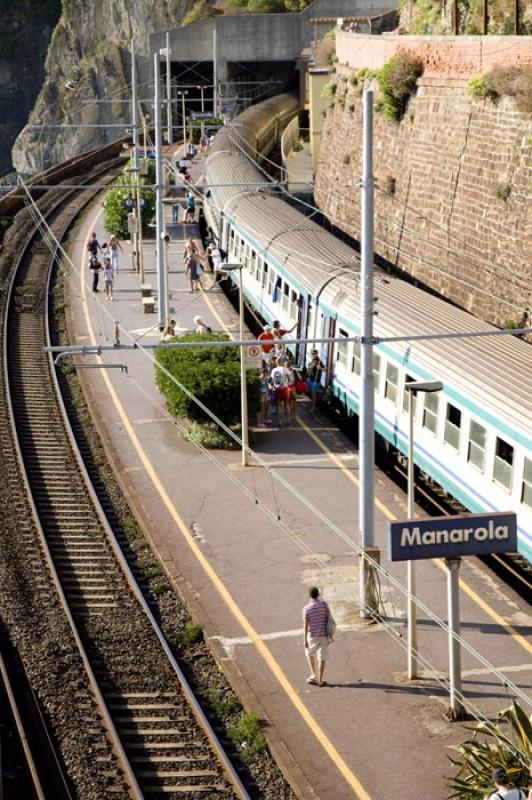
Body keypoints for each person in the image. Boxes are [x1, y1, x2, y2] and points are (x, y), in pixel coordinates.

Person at [303, 587, 332, 687]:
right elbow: (329, 616)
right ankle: (320, 679)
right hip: (324, 635)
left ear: (310, 595)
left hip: (312, 636)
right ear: (318, 594)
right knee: (322, 658)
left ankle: (313, 675)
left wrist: (304, 640)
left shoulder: (306, 609)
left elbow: (306, 625)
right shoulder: (324, 605)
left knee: (309, 653)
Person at [270, 357, 291, 426]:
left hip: (277, 389)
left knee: (278, 406)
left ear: (276, 362)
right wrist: (287, 383)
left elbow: (272, 381)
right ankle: (287, 420)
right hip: (285, 389)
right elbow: (289, 379)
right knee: (286, 405)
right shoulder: (285, 369)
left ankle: (280, 421)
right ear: (282, 362)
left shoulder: (274, 370)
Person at [307, 349, 325, 413]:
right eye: (311, 354)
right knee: (309, 392)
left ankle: (313, 407)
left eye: (314, 354)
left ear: (317, 354)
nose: (312, 355)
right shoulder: (313, 360)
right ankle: (311, 404)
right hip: (310, 379)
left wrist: (320, 368)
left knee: (313, 394)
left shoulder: (319, 361)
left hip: (315, 380)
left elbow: (325, 369)